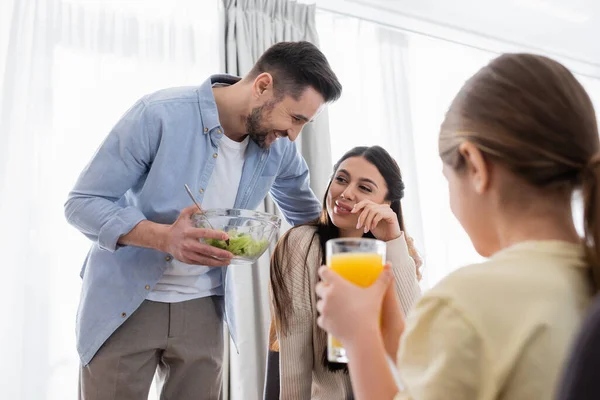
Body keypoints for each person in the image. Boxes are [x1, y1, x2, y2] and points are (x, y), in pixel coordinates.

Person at [64, 41, 342, 400]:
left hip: (204, 308)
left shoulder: (279, 149)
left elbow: (309, 219)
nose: (294, 134)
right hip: (125, 303)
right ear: (262, 86)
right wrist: (164, 238)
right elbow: (83, 202)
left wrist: (386, 242)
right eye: (295, 118)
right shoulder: (159, 114)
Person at [316, 53, 599, 399]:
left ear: (475, 166)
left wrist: (359, 336)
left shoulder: (467, 300)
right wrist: (391, 331)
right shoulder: (585, 280)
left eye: (447, 179)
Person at [269, 146, 422, 399]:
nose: (346, 193)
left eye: (364, 188)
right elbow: (294, 356)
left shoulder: (396, 251)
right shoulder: (301, 244)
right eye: (341, 179)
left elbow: (413, 343)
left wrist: (393, 241)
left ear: (386, 203)